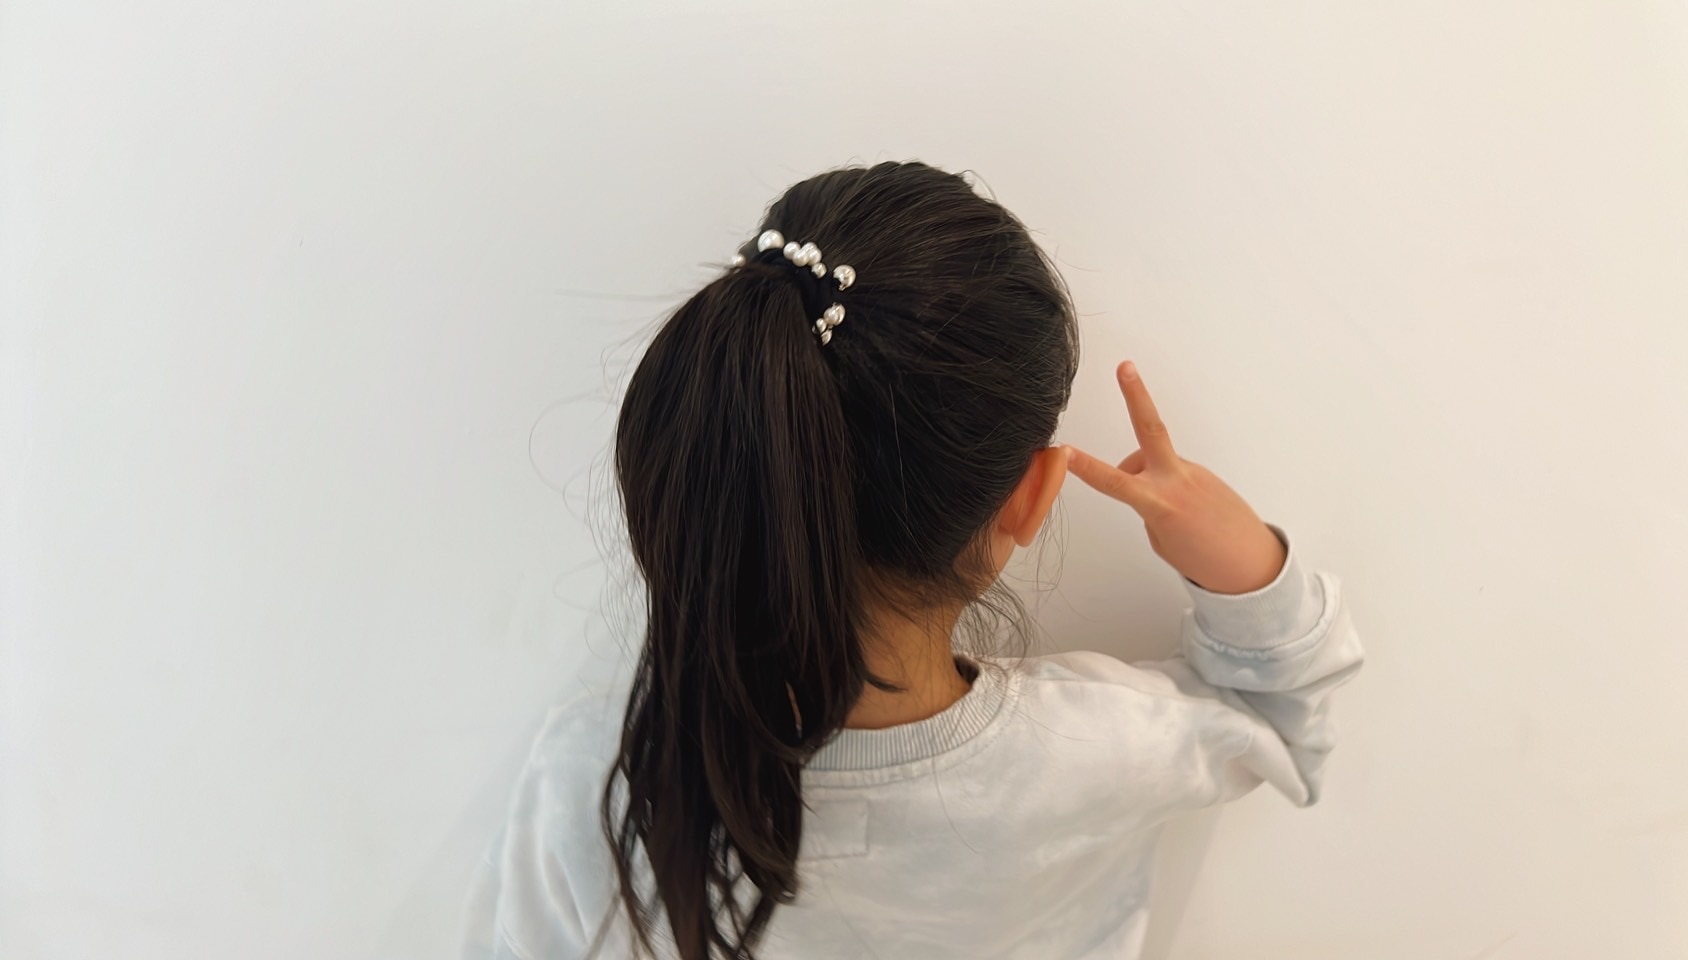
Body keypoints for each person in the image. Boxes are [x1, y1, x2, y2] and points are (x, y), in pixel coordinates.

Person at [462, 161, 1363, 959]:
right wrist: (1241, 564)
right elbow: (1278, 723)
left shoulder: (600, 775)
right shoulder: (1098, 751)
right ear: (1029, 498)